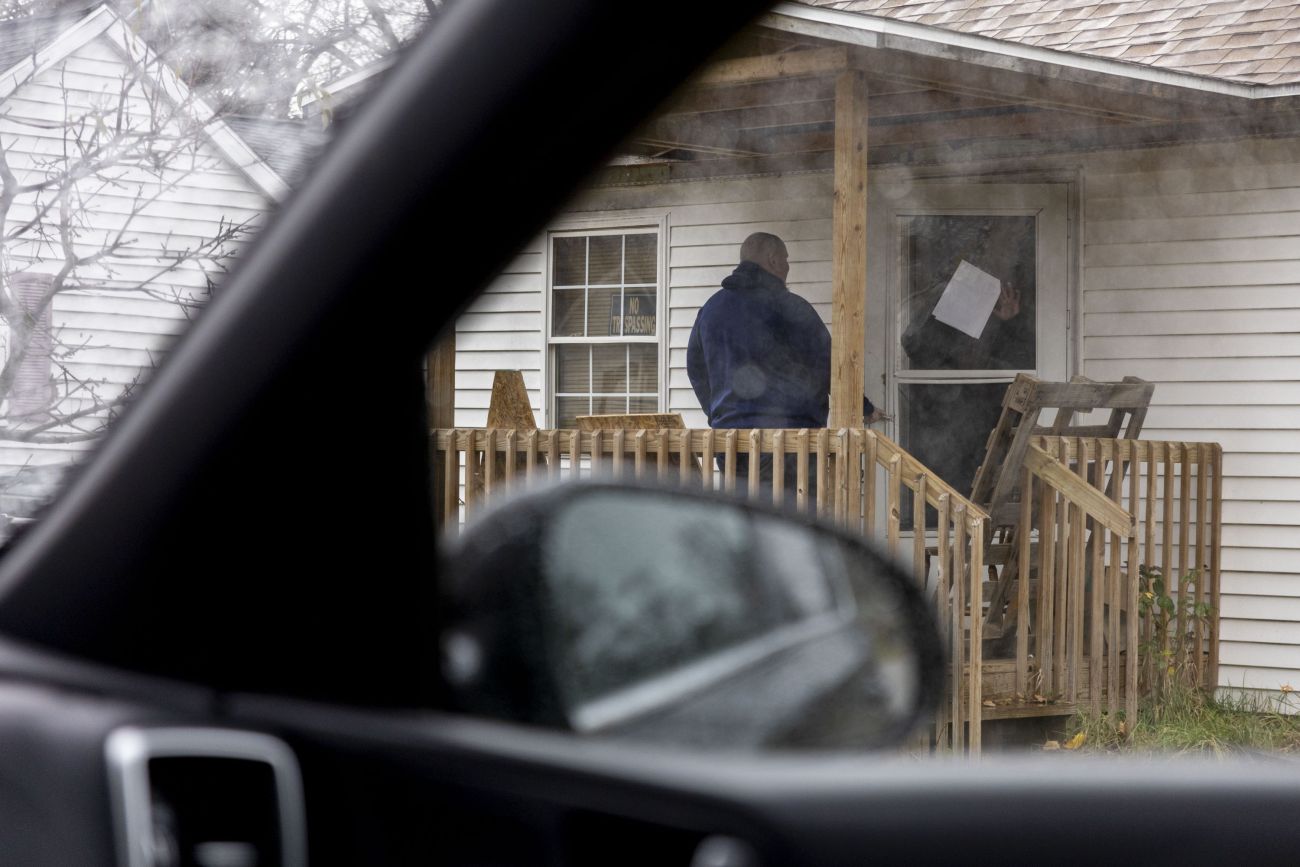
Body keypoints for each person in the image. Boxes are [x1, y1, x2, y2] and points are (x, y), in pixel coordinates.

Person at [686, 232, 883, 498]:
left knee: (747, 521)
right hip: (790, 445)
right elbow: (830, 367)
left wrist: (720, 416)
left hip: (732, 444)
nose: (788, 267)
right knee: (792, 526)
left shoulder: (711, 310)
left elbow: (696, 369)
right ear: (773, 260)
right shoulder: (791, 308)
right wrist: (864, 408)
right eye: (786, 259)